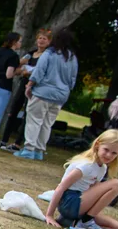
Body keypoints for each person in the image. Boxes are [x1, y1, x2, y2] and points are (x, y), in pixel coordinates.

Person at [44, 128, 118, 229]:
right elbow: (61, 187)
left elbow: (93, 192)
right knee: (117, 184)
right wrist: (49, 215)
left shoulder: (102, 168)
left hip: (81, 206)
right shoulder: (86, 166)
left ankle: (73, 223)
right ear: (97, 145)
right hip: (70, 202)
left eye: (114, 153)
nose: (108, 155)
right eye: (106, 149)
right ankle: (85, 222)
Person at [15, 27, 78, 161]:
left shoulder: (49, 53)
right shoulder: (72, 57)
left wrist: (29, 85)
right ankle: (39, 150)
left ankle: (29, 149)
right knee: (47, 124)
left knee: (34, 121)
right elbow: (73, 79)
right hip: (61, 95)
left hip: (43, 92)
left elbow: (39, 71)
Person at [0, 28, 50, 150]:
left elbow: (41, 72)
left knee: (28, 114)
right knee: (13, 111)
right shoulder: (30, 54)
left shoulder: (47, 56)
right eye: (39, 38)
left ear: (48, 42)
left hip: (35, 88)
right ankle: (4, 140)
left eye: (44, 39)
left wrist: (28, 71)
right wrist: (23, 71)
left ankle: (18, 143)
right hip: (23, 84)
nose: (41, 41)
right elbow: (17, 66)